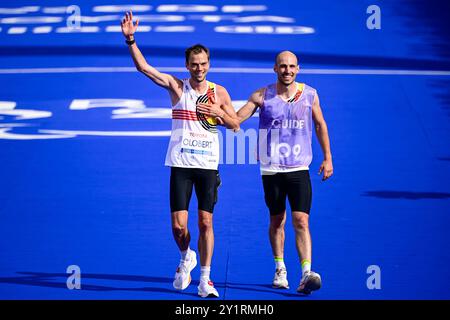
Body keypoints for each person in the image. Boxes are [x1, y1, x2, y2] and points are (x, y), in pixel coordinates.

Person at [120, 11, 239, 298]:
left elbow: (235, 125)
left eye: (203, 64)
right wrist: (131, 40)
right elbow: (144, 69)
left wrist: (219, 113)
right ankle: (187, 257)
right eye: (194, 64)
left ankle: (206, 279)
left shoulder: (219, 92)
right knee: (178, 226)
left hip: (208, 166)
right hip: (180, 165)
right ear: (187, 65)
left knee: (206, 222)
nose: (199, 68)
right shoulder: (177, 87)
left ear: (209, 65)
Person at [217, 51, 333, 294]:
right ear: (275, 69)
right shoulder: (262, 96)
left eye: (291, 66)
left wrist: (327, 157)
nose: (287, 70)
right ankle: (280, 268)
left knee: (301, 220)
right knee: (277, 220)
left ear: (298, 69)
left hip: (299, 168)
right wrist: (219, 115)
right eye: (283, 66)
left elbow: (320, 124)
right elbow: (237, 119)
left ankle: (306, 273)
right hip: (271, 169)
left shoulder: (310, 95)